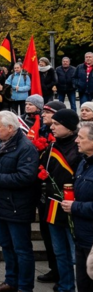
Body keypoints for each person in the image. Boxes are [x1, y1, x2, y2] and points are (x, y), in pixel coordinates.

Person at [0, 111, 39, 292]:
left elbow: (26, 177)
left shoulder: (25, 147)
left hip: (17, 206)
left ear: (10, 127)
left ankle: (25, 287)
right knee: (6, 245)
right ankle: (10, 281)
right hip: (1, 204)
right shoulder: (0, 144)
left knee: (21, 249)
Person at [41, 109, 81, 292]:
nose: (52, 127)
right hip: (53, 206)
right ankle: (65, 285)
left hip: (73, 207)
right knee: (59, 251)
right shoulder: (52, 147)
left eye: (57, 124)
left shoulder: (79, 147)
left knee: (74, 254)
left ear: (69, 127)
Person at [62, 121, 93, 291]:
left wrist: (75, 207)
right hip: (81, 236)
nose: (76, 140)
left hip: (90, 237)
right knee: (82, 283)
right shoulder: (84, 162)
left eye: (81, 137)